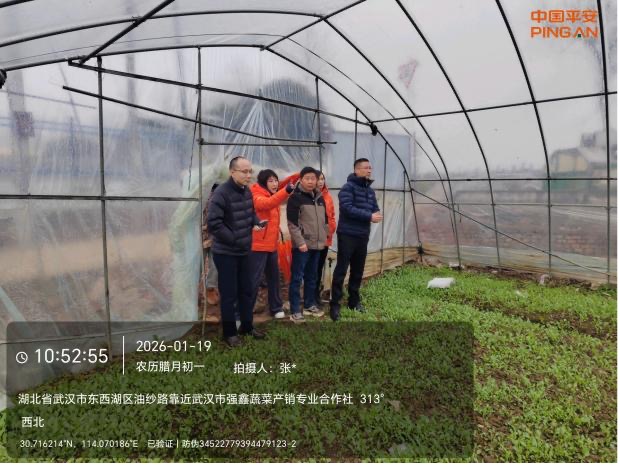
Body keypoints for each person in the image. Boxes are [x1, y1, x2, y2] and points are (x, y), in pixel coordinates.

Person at [207, 156, 266, 347]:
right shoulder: (221, 193)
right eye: (244, 171)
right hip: (226, 253)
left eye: (250, 171)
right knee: (229, 294)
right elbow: (214, 224)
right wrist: (233, 238)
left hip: (244, 250)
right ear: (232, 172)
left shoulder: (246, 191)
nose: (248, 175)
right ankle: (230, 333)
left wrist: (256, 222)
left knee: (246, 291)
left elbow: (250, 213)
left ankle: (247, 327)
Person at [329, 158, 383, 321]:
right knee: (341, 269)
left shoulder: (370, 191)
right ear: (357, 170)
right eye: (366, 168)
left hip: (362, 235)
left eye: (370, 168)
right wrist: (369, 216)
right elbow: (347, 208)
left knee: (358, 270)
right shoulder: (348, 188)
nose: (369, 170)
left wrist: (375, 214)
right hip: (347, 234)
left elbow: (374, 208)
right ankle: (335, 303)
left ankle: (354, 301)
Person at [248, 169, 299, 319]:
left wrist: (300, 174)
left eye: (276, 180)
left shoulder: (271, 192)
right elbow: (267, 204)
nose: (275, 184)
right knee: (254, 279)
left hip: (272, 245)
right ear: (263, 182)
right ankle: (245, 310)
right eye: (270, 181)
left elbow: (284, 185)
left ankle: (276, 307)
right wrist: (286, 191)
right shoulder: (256, 194)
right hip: (258, 246)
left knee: (274, 277)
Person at [286, 166, 329, 322]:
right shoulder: (295, 198)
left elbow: (325, 222)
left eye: (313, 178)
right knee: (297, 278)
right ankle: (295, 310)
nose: (311, 181)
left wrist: (324, 238)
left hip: (317, 245)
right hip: (302, 246)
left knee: (312, 276)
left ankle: (309, 304)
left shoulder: (320, 198)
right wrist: (300, 243)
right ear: (301, 180)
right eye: (307, 178)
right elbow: (292, 224)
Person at [315, 172, 337, 304]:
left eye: (322, 179)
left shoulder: (328, 196)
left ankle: (316, 295)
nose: (320, 182)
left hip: (325, 238)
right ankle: (311, 296)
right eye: (318, 179)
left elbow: (332, 216)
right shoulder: (310, 196)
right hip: (313, 239)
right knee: (313, 268)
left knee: (319, 267)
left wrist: (331, 229)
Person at [201, 183, 220, 306]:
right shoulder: (198, 195)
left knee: (216, 264)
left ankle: (210, 288)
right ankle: (192, 292)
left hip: (215, 236)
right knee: (197, 266)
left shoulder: (220, 194)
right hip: (198, 236)